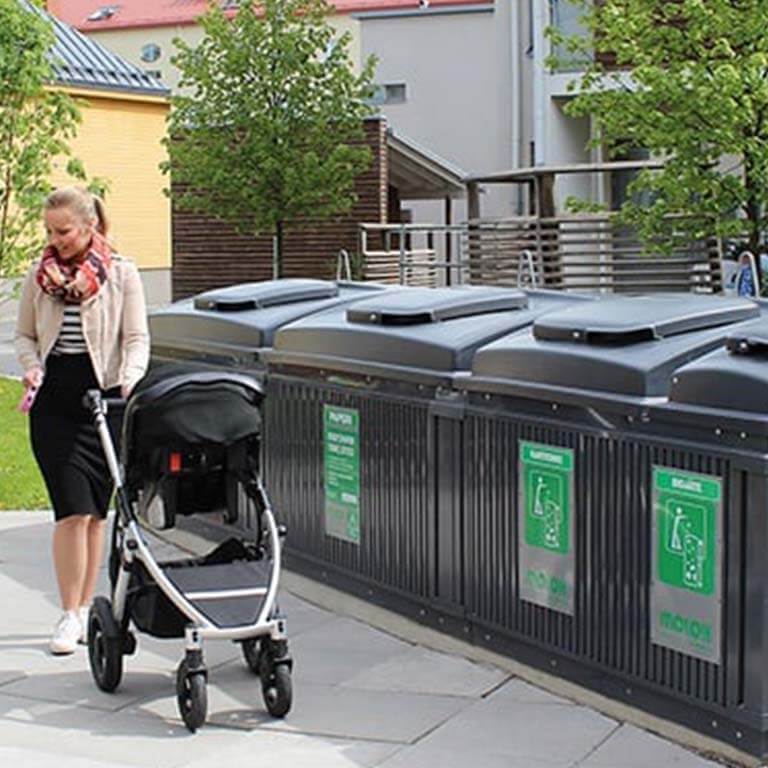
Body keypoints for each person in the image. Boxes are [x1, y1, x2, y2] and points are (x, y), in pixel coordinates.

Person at [14, 186, 149, 654]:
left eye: (64, 230)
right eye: (50, 231)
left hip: (104, 402)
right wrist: (31, 365)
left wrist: (130, 380)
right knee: (71, 511)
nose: (56, 239)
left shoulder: (123, 273)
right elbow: (25, 335)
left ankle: (89, 605)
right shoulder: (39, 274)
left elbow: (136, 338)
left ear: (89, 226)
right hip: (55, 404)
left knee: (95, 515)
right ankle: (69, 613)